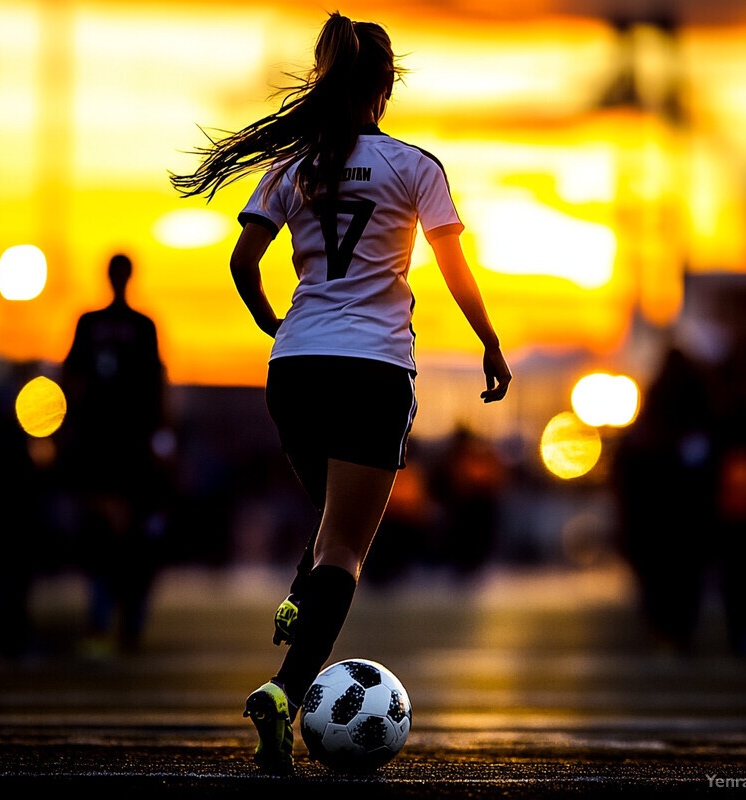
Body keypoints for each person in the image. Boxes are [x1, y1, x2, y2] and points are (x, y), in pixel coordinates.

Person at [171, 12, 511, 773]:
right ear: (385, 87)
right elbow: (454, 268)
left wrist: (275, 325)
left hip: (295, 368)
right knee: (347, 550)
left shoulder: (291, 168)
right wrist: (489, 341)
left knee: (328, 532)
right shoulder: (413, 165)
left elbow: (242, 261)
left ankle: (299, 604)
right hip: (372, 370)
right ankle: (287, 690)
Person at [61, 254, 167, 654]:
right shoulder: (133, 325)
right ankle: (116, 616)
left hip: (113, 443)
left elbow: (70, 380)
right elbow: (158, 384)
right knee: (118, 533)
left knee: (116, 533)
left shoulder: (103, 323)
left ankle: (113, 616)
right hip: (119, 443)